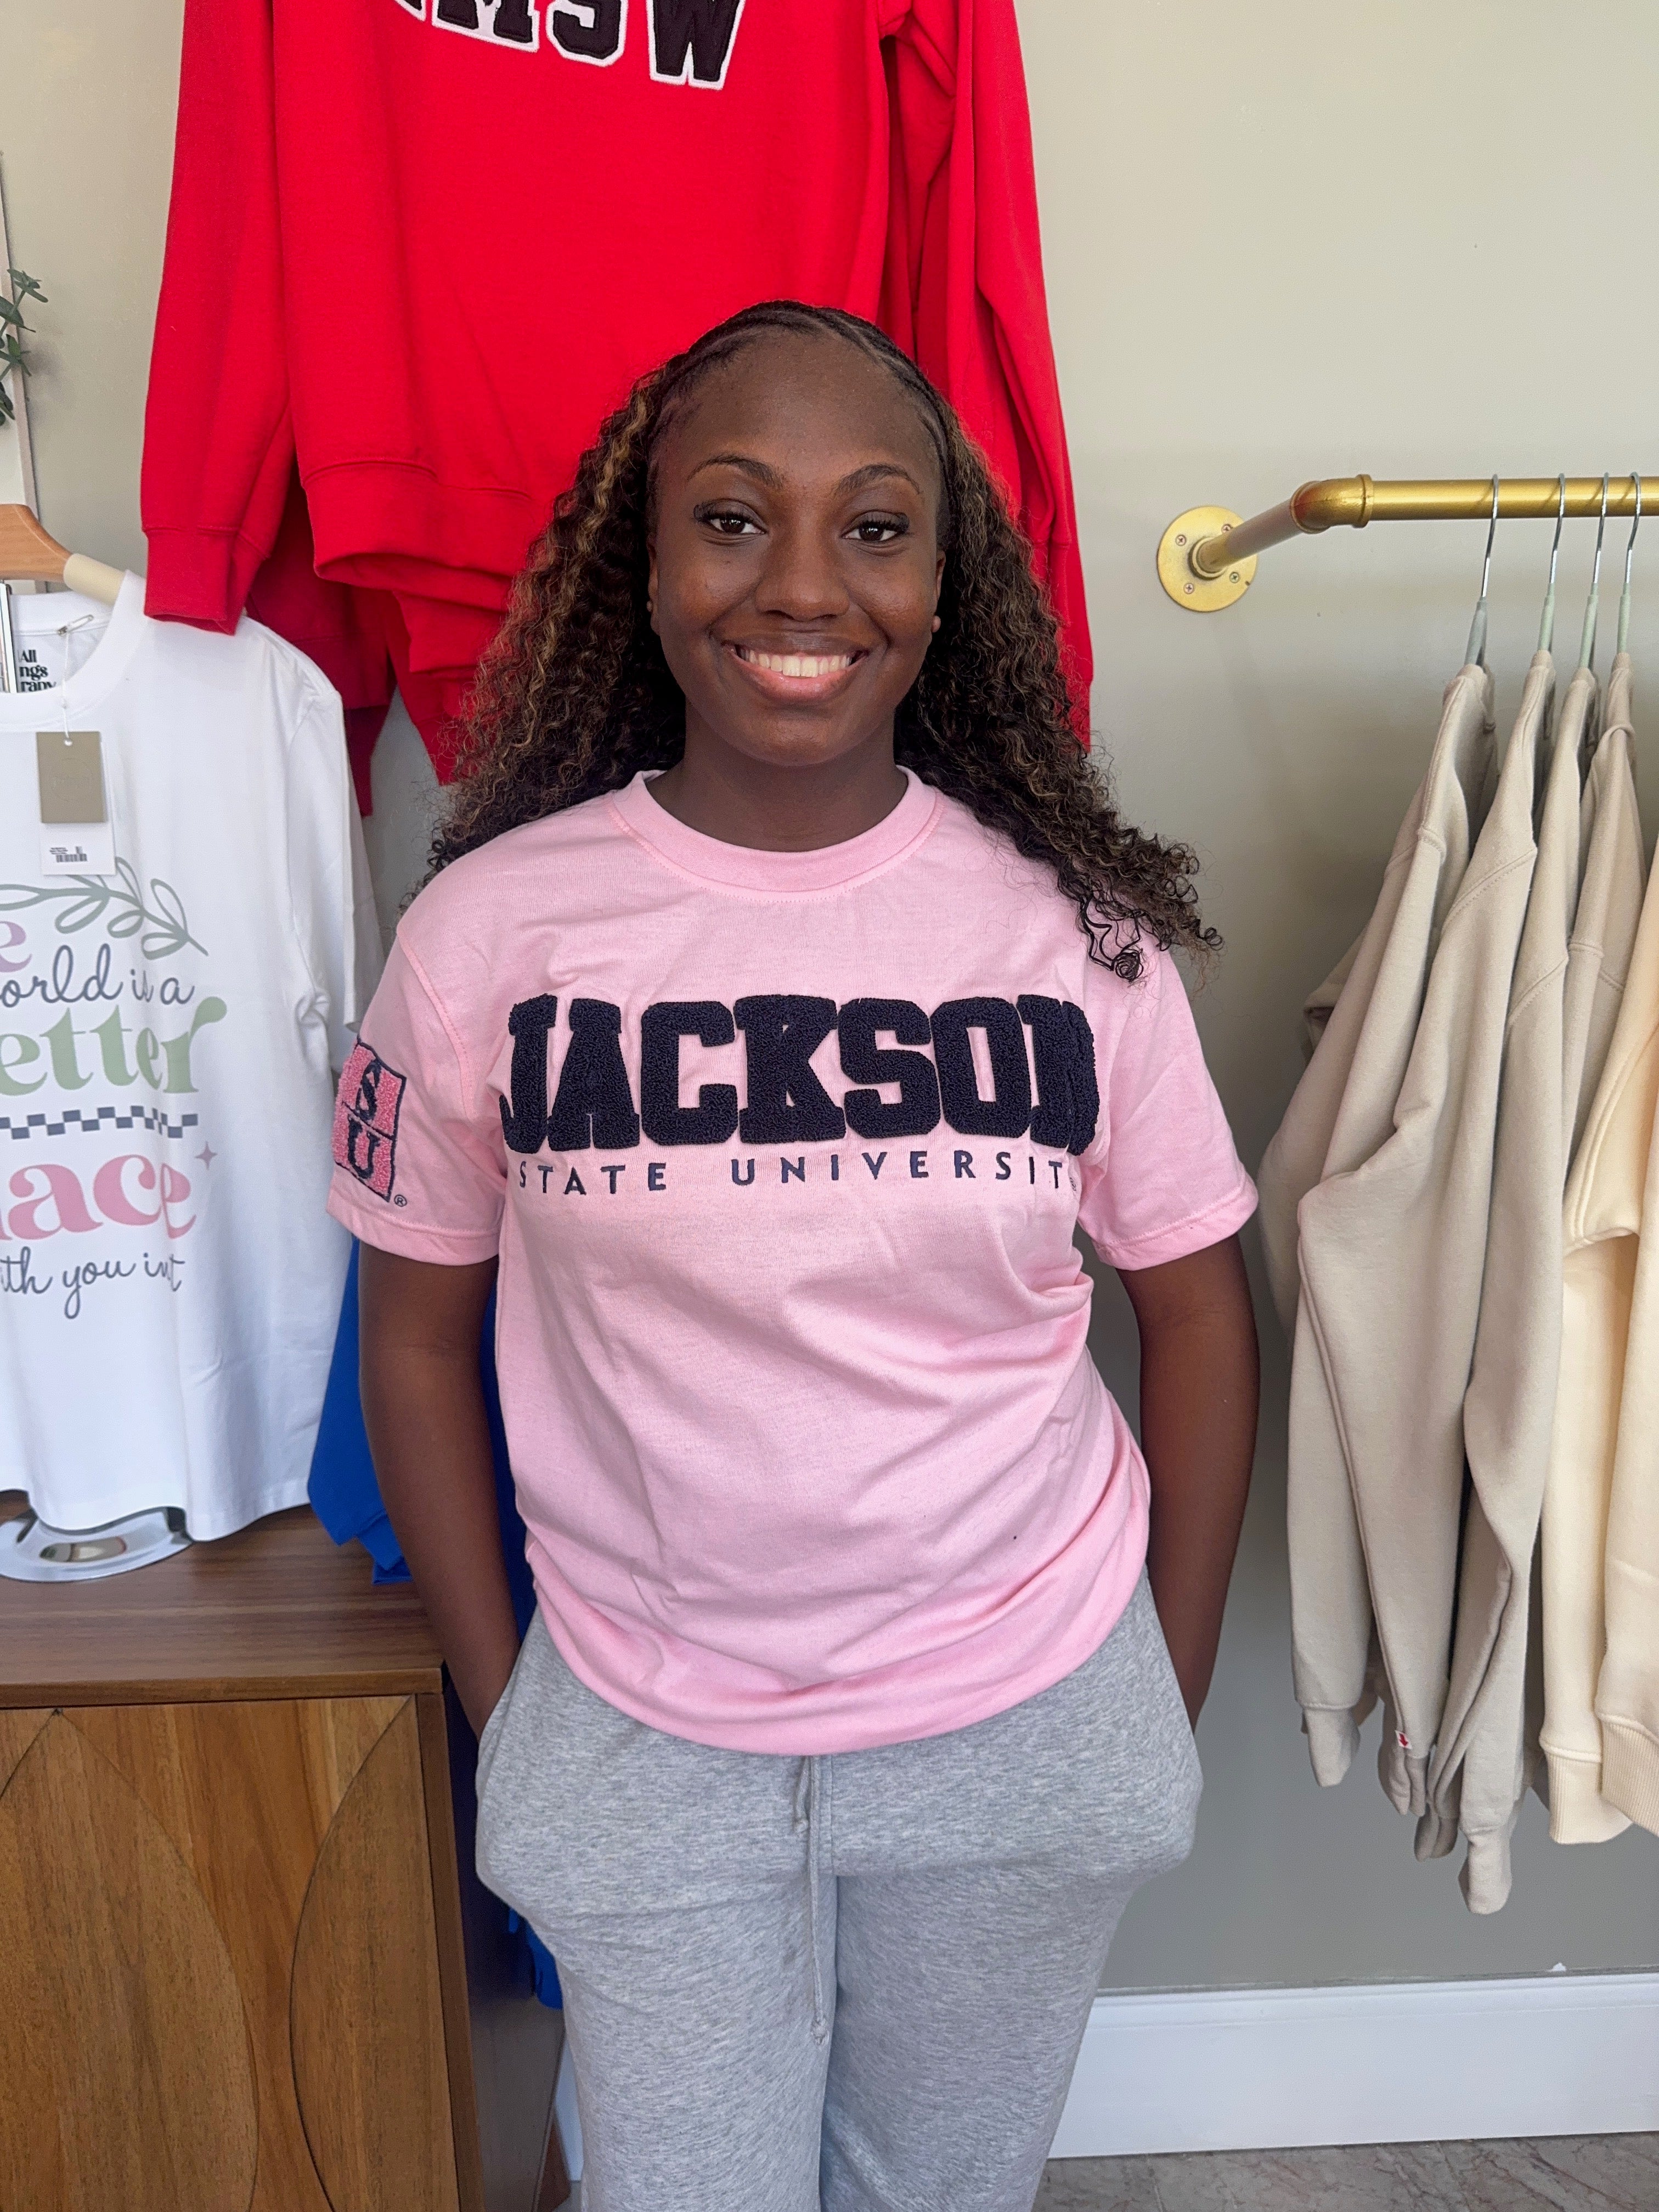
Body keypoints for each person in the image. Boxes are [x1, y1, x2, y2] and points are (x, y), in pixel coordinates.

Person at [328, 301, 1260, 2212]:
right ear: (645, 560)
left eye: (877, 524)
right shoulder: (487, 939)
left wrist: (1148, 1701)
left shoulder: (1071, 942)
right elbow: (415, 1347)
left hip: (1028, 1699)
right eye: (736, 519)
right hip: (642, 1721)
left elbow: (1197, 1306)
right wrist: (523, 1721)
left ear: (947, 579)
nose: (805, 581)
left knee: (940, 2194)